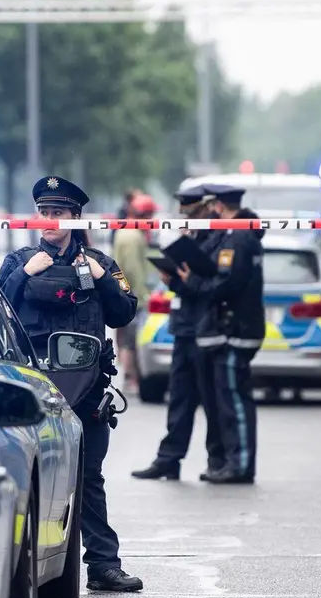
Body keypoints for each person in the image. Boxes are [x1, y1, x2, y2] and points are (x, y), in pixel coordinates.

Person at [0, 175, 144, 594]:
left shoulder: (99, 263)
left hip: (87, 390)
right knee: (30, 476)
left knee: (88, 476)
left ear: (76, 219)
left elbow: (124, 314)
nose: (49, 220)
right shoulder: (19, 261)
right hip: (34, 391)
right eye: (44, 212)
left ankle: (102, 565)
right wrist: (25, 274)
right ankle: (25, 565)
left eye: (58, 213)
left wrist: (99, 277)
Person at [131, 183, 229, 481]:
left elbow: (216, 285)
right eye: (183, 208)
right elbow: (188, 287)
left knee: (211, 399)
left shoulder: (218, 237)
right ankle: (169, 459)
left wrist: (188, 276)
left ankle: (218, 458)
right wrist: (172, 278)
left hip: (208, 327)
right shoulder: (188, 235)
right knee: (180, 398)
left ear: (206, 207)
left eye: (190, 208)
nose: (185, 213)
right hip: (185, 326)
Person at [177, 182, 265, 484]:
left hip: (234, 330)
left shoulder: (237, 237)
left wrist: (192, 283)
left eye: (210, 204)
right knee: (226, 401)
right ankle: (231, 461)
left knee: (235, 403)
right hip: (226, 329)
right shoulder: (232, 234)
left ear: (217, 205)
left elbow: (227, 284)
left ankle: (240, 464)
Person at [110, 193, 157, 392]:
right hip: (132, 294)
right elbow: (133, 269)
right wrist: (140, 295)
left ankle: (130, 376)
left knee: (126, 337)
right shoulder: (132, 235)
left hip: (122, 291)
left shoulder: (126, 230)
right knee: (131, 339)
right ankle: (131, 378)